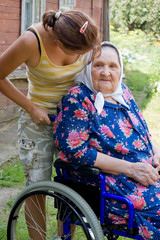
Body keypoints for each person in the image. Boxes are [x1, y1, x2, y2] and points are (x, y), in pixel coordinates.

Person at [0, 9, 99, 239]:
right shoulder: (31, 41)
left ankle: (66, 237)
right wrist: (31, 107)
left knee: (72, 183)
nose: (86, 54)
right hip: (38, 119)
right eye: (79, 52)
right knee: (38, 186)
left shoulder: (85, 33)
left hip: (75, 122)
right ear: (58, 42)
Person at [54, 41, 160, 240]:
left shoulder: (123, 93)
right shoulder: (78, 98)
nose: (106, 72)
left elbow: (143, 133)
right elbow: (76, 152)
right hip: (115, 184)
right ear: (87, 68)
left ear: (120, 70)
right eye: (98, 65)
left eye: (113, 66)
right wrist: (131, 169)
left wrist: (156, 151)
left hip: (147, 173)